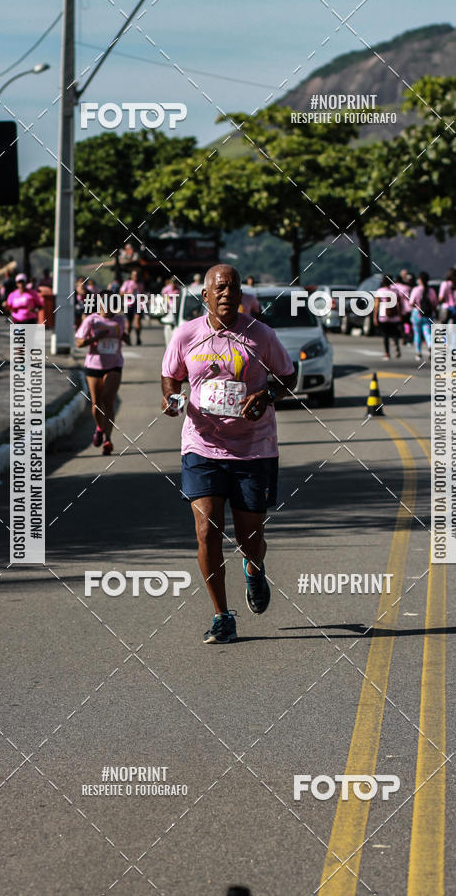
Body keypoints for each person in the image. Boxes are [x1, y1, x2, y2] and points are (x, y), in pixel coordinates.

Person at [161, 264, 296, 645]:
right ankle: (222, 615)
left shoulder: (261, 335)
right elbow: (171, 376)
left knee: (250, 538)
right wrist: (172, 399)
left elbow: (288, 376)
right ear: (205, 296)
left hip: (253, 450)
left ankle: (254, 568)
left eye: (232, 288)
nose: (226, 294)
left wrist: (267, 395)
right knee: (207, 531)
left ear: (241, 296)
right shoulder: (187, 334)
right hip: (202, 446)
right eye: (218, 288)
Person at [76, 292, 129, 456]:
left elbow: (123, 336)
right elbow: (79, 343)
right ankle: (99, 428)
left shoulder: (120, 320)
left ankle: (108, 439)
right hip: (94, 365)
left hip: (114, 364)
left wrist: (126, 337)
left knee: (108, 399)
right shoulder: (92, 320)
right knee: (96, 403)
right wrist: (95, 338)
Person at [409, 271, 437, 360]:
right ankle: (430, 345)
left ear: (420, 280)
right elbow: (435, 303)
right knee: (427, 332)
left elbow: (411, 303)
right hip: (428, 314)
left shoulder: (416, 289)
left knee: (417, 333)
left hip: (417, 313)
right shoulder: (431, 290)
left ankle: (418, 353)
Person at [374, 275, 403, 359]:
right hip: (394, 317)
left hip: (383, 316)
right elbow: (399, 304)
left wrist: (375, 318)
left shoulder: (379, 291)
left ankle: (387, 353)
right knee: (394, 333)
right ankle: (396, 345)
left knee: (385, 335)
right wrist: (400, 315)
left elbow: (376, 306)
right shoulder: (395, 291)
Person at [120, 269, 144, 345]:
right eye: (134, 275)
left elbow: (142, 293)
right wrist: (129, 293)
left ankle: (138, 338)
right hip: (128, 304)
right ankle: (128, 337)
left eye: (137, 275)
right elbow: (121, 293)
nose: (135, 276)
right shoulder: (127, 283)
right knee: (128, 323)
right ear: (131, 276)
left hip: (138, 304)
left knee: (137, 320)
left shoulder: (141, 284)